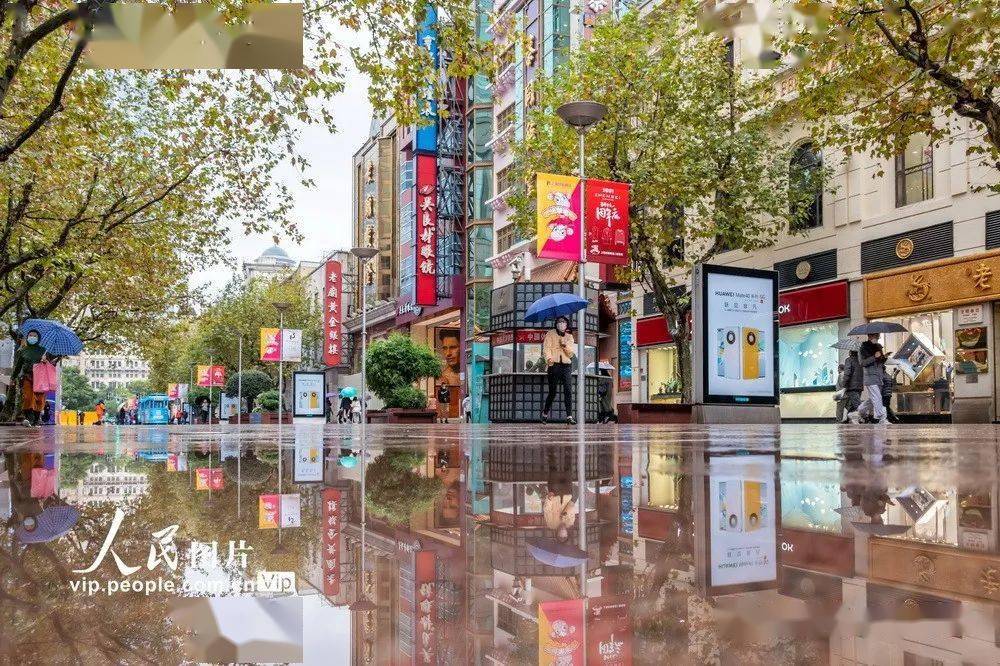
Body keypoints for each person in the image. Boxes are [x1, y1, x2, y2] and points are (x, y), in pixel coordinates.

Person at [541, 315, 576, 424]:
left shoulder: (569, 337)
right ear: (556, 324)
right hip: (554, 365)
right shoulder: (550, 334)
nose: (562, 324)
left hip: (566, 365)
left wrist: (564, 345)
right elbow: (546, 348)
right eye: (560, 322)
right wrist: (549, 358)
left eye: (564, 322)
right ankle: (545, 413)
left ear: (567, 324)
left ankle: (569, 416)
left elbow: (570, 354)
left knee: (568, 390)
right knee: (553, 392)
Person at [11, 328, 48, 427]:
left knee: (39, 400)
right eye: (30, 335)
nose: (32, 337)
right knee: (28, 397)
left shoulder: (43, 350)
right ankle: (29, 419)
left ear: (38, 338)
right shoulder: (23, 350)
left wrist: (45, 360)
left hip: (40, 379)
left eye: (35, 336)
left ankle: (36, 420)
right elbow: (18, 366)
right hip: (27, 377)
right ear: (27, 337)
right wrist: (13, 378)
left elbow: (49, 365)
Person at [854, 332, 888, 424]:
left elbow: (880, 362)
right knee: (877, 397)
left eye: (878, 336)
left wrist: (884, 357)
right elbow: (862, 363)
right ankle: (881, 418)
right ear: (870, 336)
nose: (878, 337)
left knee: (873, 398)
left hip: (879, 376)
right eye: (876, 336)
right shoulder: (863, 348)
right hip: (870, 377)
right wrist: (874, 357)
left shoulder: (878, 347)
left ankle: (860, 410)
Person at [840, 350, 863, 423]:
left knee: (857, 404)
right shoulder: (860, 361)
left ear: (850, 353)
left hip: (852, 386)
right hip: (859, 385)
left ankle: (864, 418)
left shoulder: (849, 360)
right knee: (853, 404)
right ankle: (847, 419)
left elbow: (847, 373)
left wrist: (844, 385)